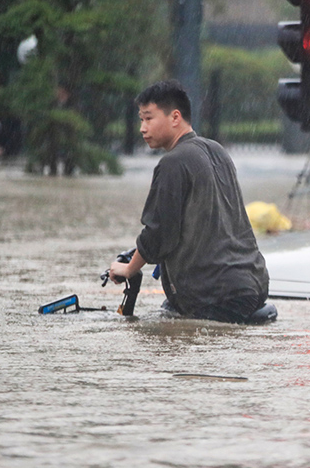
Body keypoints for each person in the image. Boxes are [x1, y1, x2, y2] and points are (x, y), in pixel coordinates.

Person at [106, 80, 271, 323]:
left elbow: (159, 234)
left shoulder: (173, 162)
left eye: (148, 118)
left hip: (214, 295)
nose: (142, 128)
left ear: (175, 117)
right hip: (254, 285)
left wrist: (129, 268)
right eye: (141, 120)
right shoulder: (218, 151)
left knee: (156, 346)